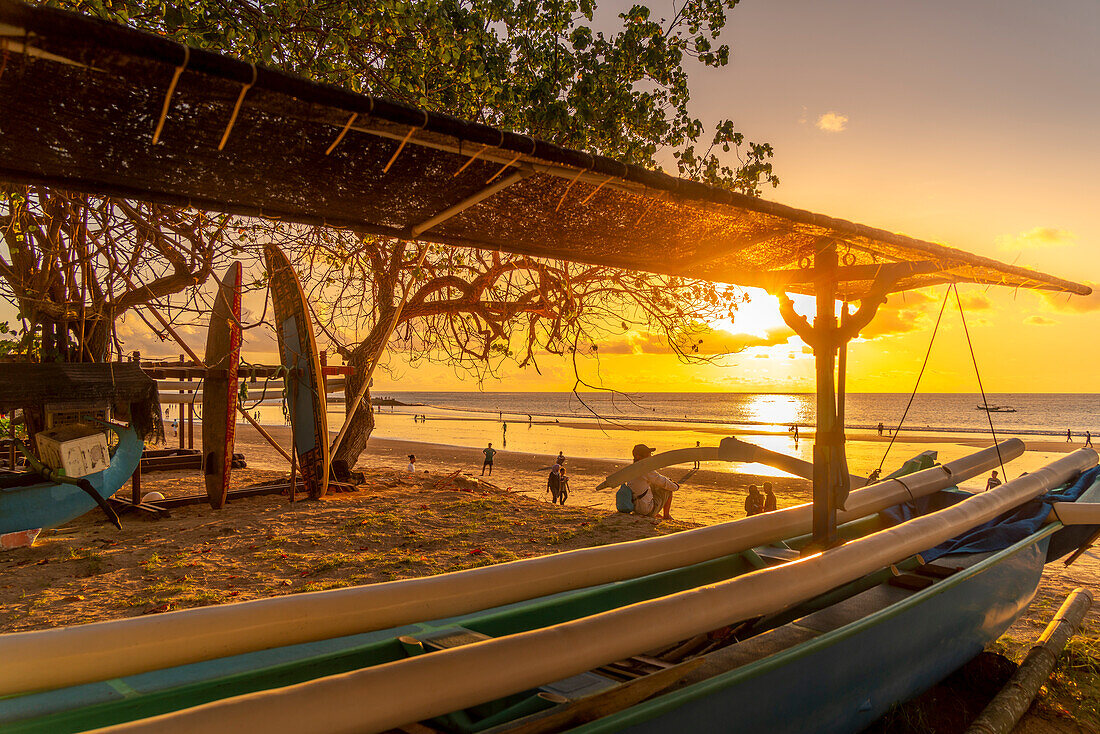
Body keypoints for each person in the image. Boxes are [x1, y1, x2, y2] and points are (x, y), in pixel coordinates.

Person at [625, 444, 678, 520]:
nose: (650, 457)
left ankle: (655, 512)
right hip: (645, 511)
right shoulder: (644, 469)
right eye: (647, 455)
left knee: (654, 485)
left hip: (635, 508)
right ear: (638, 457)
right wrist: (675, 487)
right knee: (668, 489)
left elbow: (657, 479)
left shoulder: (632, 468)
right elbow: (662, 481)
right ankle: (666, 516)